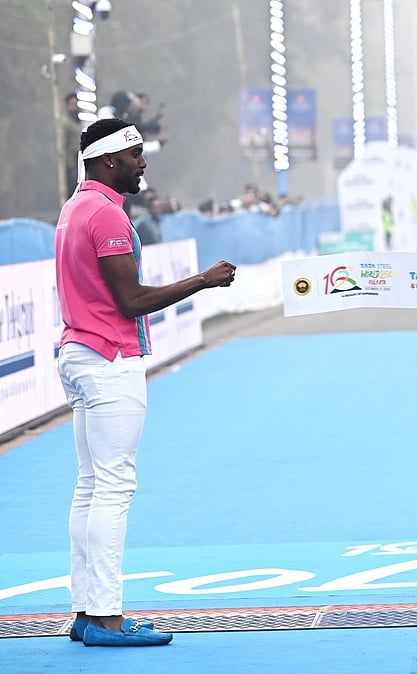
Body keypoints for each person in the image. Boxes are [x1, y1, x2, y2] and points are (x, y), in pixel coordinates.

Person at [55, 118, 238, 646]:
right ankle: (106, 619)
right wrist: (202, 281)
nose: (143, 162)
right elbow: (131, 300)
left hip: (80, 352)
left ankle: (87, 611)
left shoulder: (73, 208)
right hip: (109, 358)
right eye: (136, 154)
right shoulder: (106, 214)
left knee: (91, 485)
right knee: (114, 486)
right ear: (109, 160)